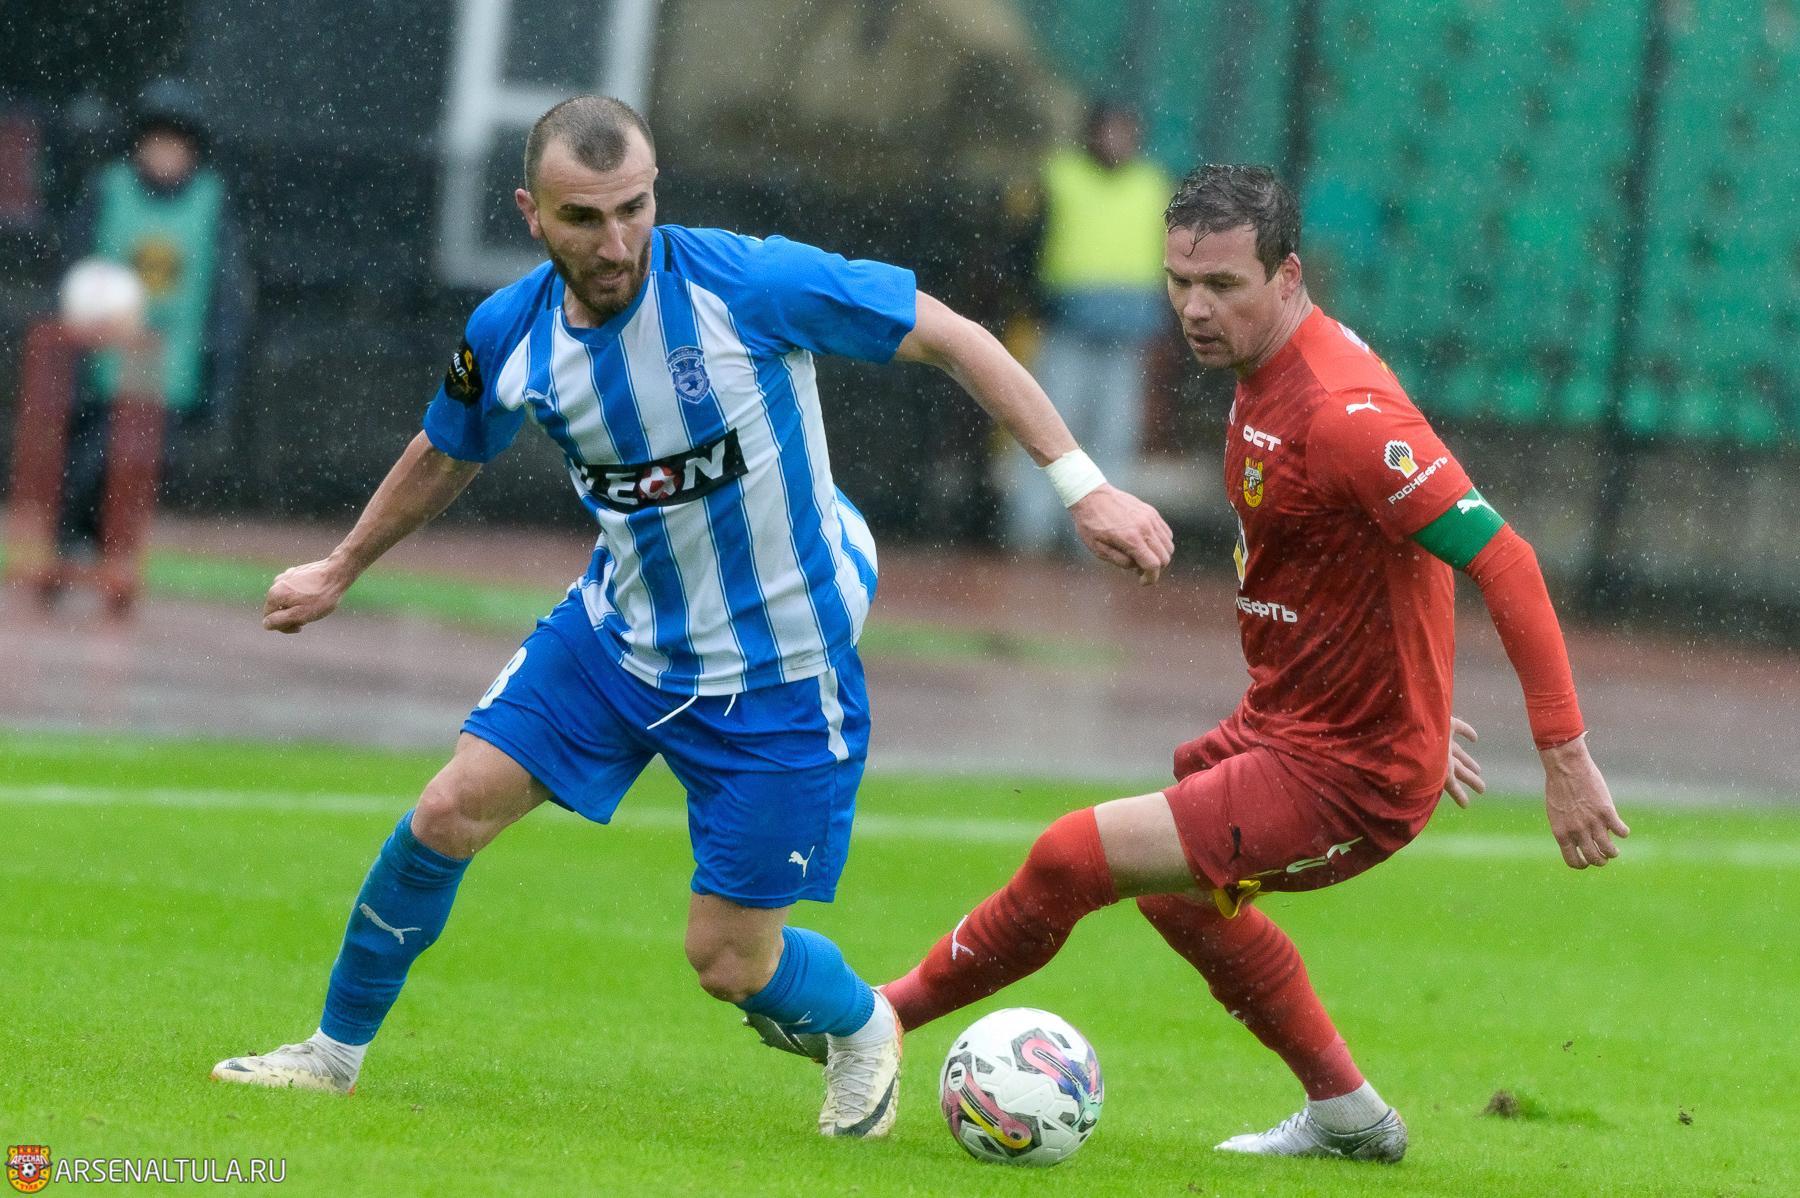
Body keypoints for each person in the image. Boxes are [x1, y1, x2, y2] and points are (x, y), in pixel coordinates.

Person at [209, 96, 1173, 1139]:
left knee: (728, 962)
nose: (616, 241)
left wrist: (1083, 487)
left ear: (656, 189)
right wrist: (341, 566)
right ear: (531, 213)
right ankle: (331, 1057)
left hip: (779, 667)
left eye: (634, 207)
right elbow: (446, 449)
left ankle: (865, 1025)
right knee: (448, 810)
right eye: (584, 218)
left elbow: (955, 337)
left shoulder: (745, 284)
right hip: (617, 638)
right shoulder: (511, 331)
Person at [752, 165, 1629, 1163]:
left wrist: (1559, 753)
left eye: (1223, 285)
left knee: (1072, 856)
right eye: (1180, 282)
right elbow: (1383, 552)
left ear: (1288, 276)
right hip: (1300, 720)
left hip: (1350, 768)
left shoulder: (1343, 414)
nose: (1196, 309)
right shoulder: (1267, 370)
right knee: (1174, 888)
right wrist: (1412, 696)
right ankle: (1348, 1117)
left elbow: (1503, 559)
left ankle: (877, 1020)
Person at [56, 78, 253, 558]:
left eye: (175, 143)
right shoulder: (109, 190)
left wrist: (216, 369)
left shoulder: (211, 203)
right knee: (92, 456)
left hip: (167, 360)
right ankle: (74, 542)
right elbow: (73, 265)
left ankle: (104, 546)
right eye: (156, 140)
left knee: (143, 460)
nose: (165, 153)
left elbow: (227, 294)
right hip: (104, 355)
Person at [1001, 100, 1171, 554]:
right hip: (1065, 324)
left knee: (1114, 434)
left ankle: (1105, 538)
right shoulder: (1059, 176)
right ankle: (1030, 532)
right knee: (1044, 426)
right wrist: (1032, 302)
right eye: (1108, 130)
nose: (1116, 141)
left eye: (1125, 131)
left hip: (1128, 330)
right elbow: (1022, 244)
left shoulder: (1154, 186)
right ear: (1090, 133)